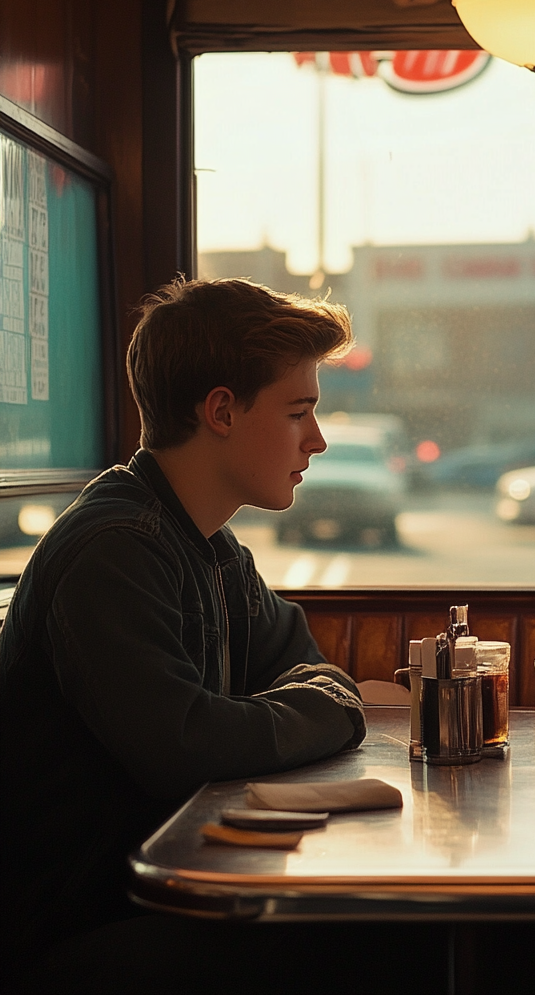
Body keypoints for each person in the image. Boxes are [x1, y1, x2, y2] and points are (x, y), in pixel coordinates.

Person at [0, 278, 371, 987]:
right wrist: (330, 709)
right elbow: (187, 746)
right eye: (299, 413)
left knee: (367, 933)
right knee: (360, 945)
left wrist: (318, 703)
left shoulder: (211, 548)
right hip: (72, 931)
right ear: (222, 412)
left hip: (145, 897)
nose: (317, 441)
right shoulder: (115, 548)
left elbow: (305, 666)